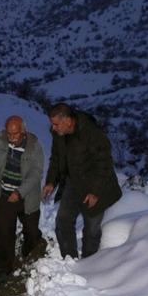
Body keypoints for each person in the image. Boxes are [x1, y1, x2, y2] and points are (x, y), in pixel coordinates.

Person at [42, 103, 122, 259]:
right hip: (74, 181)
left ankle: (89, 262)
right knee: (63, 221)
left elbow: (104, 164)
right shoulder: (59, 135)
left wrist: (95, 192)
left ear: (68, 121)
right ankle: (69, 259)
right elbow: (57, 158)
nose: (53, 128)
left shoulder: (92, 133)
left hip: (97, 184)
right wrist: (51, 181)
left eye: (56, 124)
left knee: (91, 227)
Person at [0, 116, 46, 281]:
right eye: (9, 133)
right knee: (4, 235)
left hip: (26, 196)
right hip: (4, 195)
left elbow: (36, 174)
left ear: (23, 131)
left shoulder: (34, 146)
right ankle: (3, 270)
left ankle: (28, 252)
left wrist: (19, 192)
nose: (12, 138)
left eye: (15, 134)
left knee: (32, 232)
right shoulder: (0, 139)